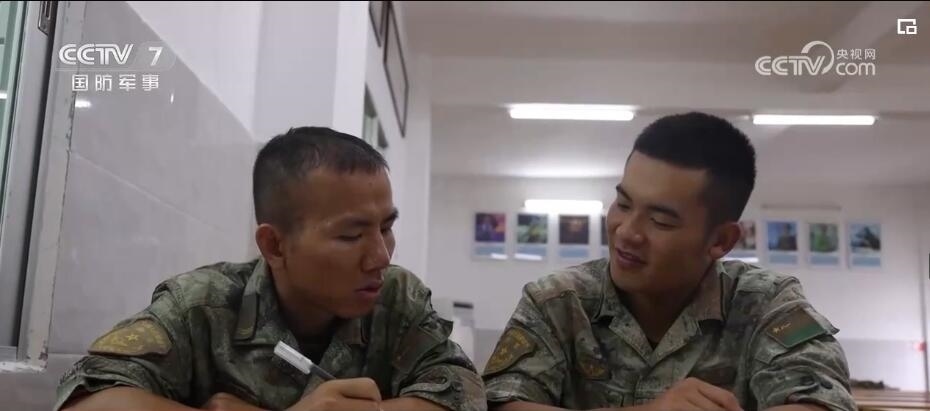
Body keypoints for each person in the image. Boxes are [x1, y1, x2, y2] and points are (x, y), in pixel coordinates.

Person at [56, 127, 486, 411]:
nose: (381, 256)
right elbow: (87, 399)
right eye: (351, 235)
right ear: (275, 245)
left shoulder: (396, 298)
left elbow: (463, 392)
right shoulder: (202, 305)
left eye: (386, 228)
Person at [482, 112, 856, 411]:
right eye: (623, 204)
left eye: (660, 221)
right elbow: (504, 403)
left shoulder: (765, 303)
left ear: (720, 241)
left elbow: (821, 400)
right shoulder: (558, 302)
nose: (627, 231)